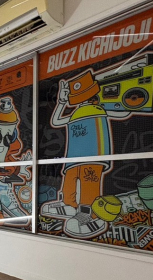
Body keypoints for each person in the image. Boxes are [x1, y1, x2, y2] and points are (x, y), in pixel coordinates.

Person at [42, 70, 130, 237]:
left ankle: (89, 213)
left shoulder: (99, 109)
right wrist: (61, 102)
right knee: (70, 181)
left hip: (94, 156)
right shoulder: (76, 113)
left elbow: (124, 112)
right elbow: (55, 121)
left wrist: (117, 99)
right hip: (73, 157)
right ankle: (69, 205)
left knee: (89, 183)